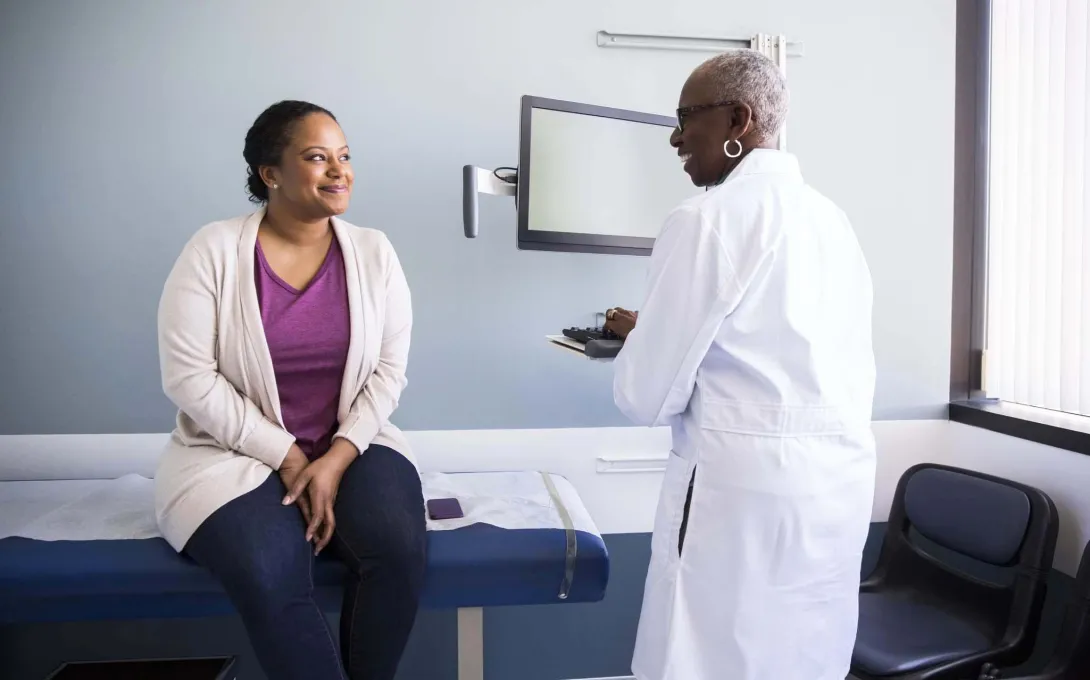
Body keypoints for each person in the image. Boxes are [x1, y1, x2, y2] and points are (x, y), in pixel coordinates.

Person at [604, 50, 876, 680]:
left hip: (738, 492)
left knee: (703, 656)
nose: (675, 138)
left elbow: (645, 396)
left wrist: (645, 348)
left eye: (685, 119)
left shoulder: (706, 220)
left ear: (738, 120)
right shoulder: (833, 221)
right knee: (803, 655)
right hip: (833, 488)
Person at [155, 100, 424, 680]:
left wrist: (336, 458)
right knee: (269, 567)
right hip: (231, 454)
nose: (339, 170)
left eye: (345, 156)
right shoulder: (214, 251)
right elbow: (188, 375)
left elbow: (388, 370)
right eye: (317, 157)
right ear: (269, 173)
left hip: (356, 441)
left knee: (398, 550)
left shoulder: (375, 252)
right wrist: (288, 454)